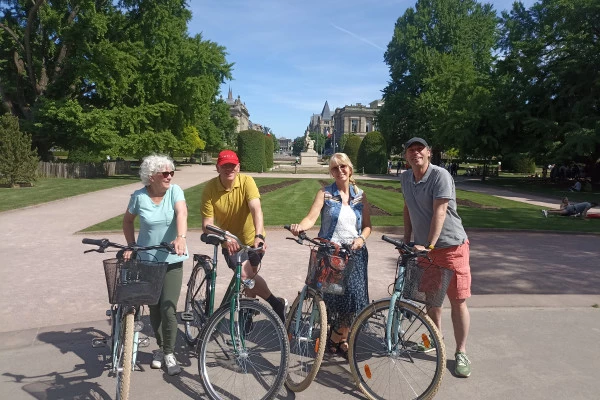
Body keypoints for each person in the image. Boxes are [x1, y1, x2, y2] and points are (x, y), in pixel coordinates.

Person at [399, 137, 472, 378]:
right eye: (411, 150)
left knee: (457, 300)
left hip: (451, 247)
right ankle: (436, 340)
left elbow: (440, 211)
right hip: (423, 249)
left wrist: (428, 245)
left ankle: (461, 352)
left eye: (420, 149)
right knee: (432, 300)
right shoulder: (405, 178)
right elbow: (408, 208)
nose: (415, 153)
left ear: (429, 153)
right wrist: (407, 240)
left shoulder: (440, 176)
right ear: (406, 156)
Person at [289, 152, 372, 359]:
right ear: (331, 172)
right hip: (331, 253)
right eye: (335, 168)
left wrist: (361, 239)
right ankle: (339, 338)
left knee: (353, 297)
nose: (339, 171)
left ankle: (338, 336)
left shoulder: (360, 196)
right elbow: (311, 218)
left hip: (354, 253)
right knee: (333, 297)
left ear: (350, 169)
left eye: (343, 166)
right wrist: (300, 226)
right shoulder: (325, 193)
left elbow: (368, 226)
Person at [201, 150, 287, 322]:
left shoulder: (247, 181)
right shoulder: (210, 188)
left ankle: (247, 314)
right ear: (218, 167)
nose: (229, 169)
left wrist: (259, 236)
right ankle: (275, 303)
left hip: (251, 238)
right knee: (247, 277)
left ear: (238, 167)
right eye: (224, 165)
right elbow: (206, 225)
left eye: (232, 165)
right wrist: (225, 235)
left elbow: (256, 209)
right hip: (230, 243)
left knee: (250, 278)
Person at [122, 154, 188, 376]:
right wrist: (131, 245)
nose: (170, 176)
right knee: (154, 308)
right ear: (151, 177)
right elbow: (128, 220)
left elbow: (182, 212)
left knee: (168, 308)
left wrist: (181, 237)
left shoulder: (175, 192)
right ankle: (160, 348)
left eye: (172, 172)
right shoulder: (139, 197)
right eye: (165, 173)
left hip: (172, 258)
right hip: (147, 260)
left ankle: (169, 352)